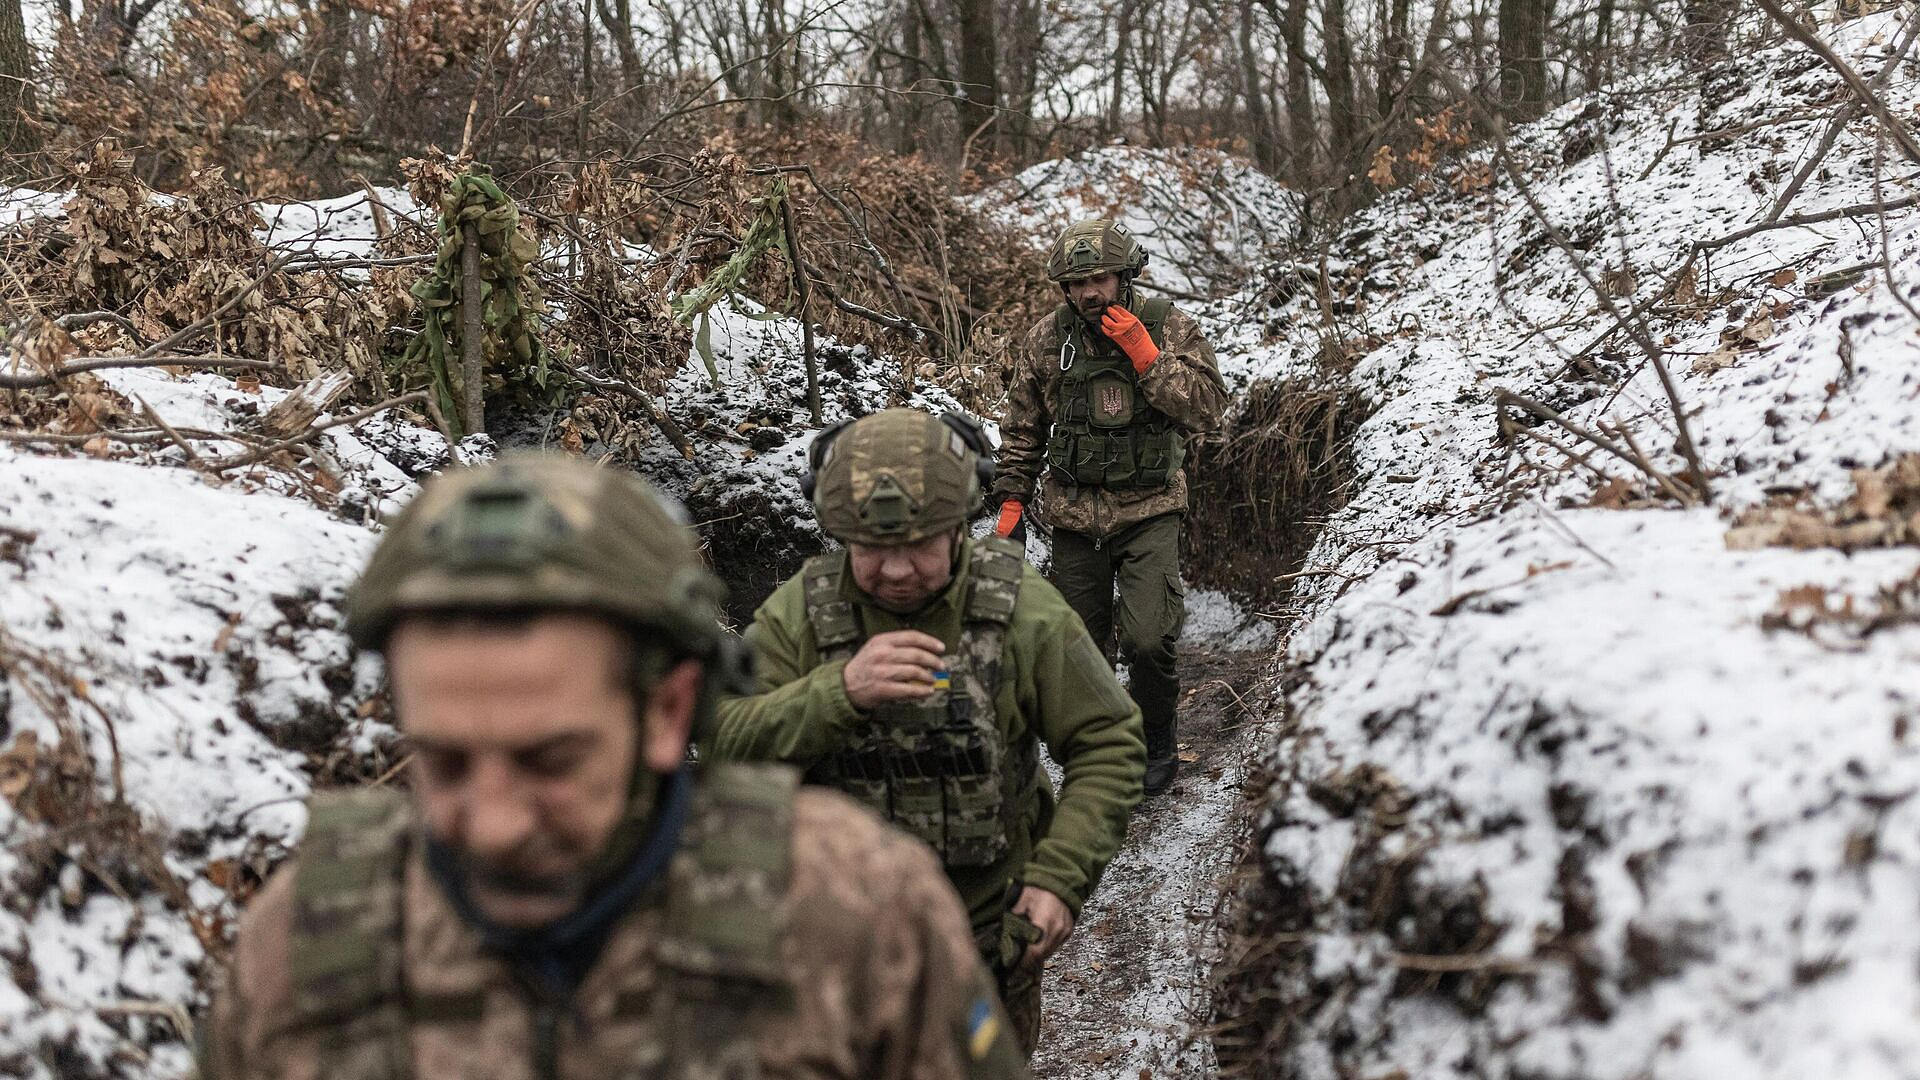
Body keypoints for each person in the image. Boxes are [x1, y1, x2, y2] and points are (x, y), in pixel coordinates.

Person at [196, 453, 1028, 1080]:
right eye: (443, 761)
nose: (492, 822)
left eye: (550, 761)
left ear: (667, 713)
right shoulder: (307, 945)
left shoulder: (852, 914)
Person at [707, 408, 1145, 1057]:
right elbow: (721, 740)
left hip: (986, 942)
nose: (897, 570)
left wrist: (1058, 878)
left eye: (920, 545)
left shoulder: (1021, 608)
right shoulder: (801, 615)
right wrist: (838, 692)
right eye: (873, 550)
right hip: (831, 943)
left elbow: (1107, 741)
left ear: (960, 530)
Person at [990, 218, 1229, 798]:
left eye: (1097, 278)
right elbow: (1024, 427)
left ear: (1125, 275)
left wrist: (1148, 359)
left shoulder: (1167, 326)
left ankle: (1158, 737)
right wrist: (1011, 503)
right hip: (1073, 515)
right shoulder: (1049, 338)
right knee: (1078, 648)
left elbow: (1210, 410)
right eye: (1074, 283)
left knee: (1149, 639)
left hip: (1149, 508)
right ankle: (1096, 753)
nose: (1086, 292)